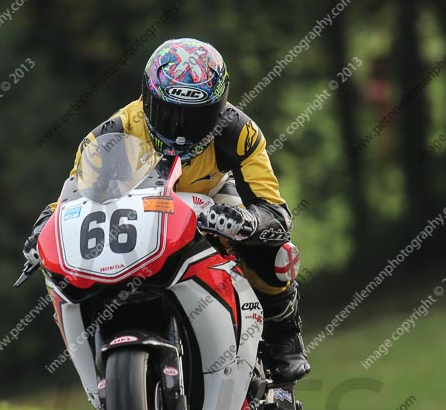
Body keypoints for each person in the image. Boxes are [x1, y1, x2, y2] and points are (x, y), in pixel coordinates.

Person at [24, 37, 310, 382]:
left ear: (219, 108)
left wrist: (246, 222)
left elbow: (275, 212)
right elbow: (73, 197)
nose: (179, 129)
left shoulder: (239, 131)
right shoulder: (114, 131)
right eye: (169, 113)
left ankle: (285, 336)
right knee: (64, 271)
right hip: (139, 208)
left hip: (213, 197)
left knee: (274, 252)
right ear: (147, 99)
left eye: (197, 116)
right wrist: (45, 226)